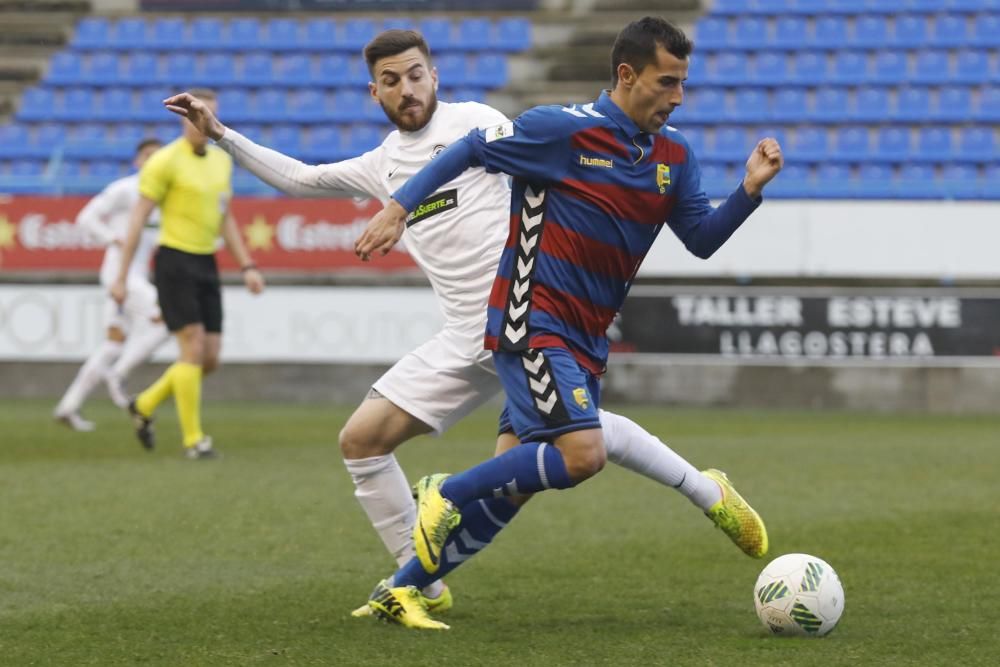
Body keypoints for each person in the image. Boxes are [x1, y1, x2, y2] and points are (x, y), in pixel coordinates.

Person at [165, 28, 766, 630]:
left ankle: (694, 490)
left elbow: (547, 163)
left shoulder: (479, 121)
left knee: (561, 453)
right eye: (393, 81)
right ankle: (412, 582)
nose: (407, 89)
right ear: (374, 92)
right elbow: (300, 178)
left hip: (529, 314)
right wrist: (220, 135)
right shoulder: (381, 165)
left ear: (435, 75)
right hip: (486, 330)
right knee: (368, 442)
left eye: (416, 74)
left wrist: (741, 191)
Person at [355, 17, 784, 629]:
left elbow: (701, 240)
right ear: (627, 75)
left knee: (513, 487)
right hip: (530, 320)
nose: (678, 97)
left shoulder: (674, 154)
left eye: (683, 84)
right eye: (667, 83)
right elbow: (469, 149)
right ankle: (442, 491)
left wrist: (746, 191)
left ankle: (400, 590)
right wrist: (398, 208)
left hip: (584, 340)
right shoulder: (558, 131)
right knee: (582, 455)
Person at [111, 88, 264, 459]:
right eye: (197, 115)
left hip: (205, 261)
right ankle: (194, 440)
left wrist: (246, 264)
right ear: (184, 118)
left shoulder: (220, 161)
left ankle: (144, 405)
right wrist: (120, 276)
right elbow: (137, 220)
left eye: (211, 115)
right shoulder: (163, 162)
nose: (203, 122)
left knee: (208, 358)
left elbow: (224, 216)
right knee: (192, 347)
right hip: (174, 261)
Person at [54, 138, 171, 431]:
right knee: (167, 319)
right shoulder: (125, 189)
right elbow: (86, 217)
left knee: (112, 343)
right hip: (120, 275)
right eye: (147, 156)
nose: (152, 161)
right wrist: (111, 239)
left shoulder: (162, 194)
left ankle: (68, 407)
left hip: (137, 275)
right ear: (137, 161)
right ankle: (119, 374)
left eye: (158, 156)